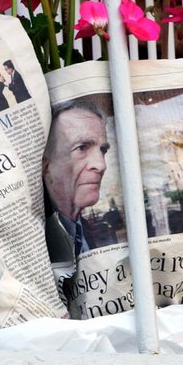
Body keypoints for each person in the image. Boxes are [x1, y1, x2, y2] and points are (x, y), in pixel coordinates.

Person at [43, 101, 116, 258]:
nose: (101, 165)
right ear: (46, 166)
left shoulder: (84, 228)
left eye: (103, 150)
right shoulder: (39, 239)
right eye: (82, 148)